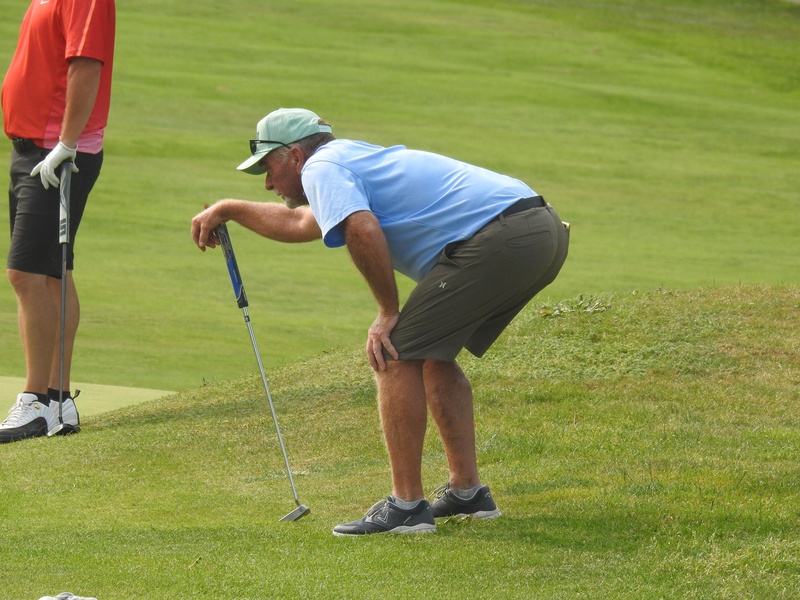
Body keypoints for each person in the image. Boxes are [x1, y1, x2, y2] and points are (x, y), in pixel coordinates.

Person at [191, 108, 569, 536]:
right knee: (432, 356)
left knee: (393, 351)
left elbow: (362, 229)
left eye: (268, 168)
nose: (267, 183)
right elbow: (301, 222)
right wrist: (230, 209)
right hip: (541, 231)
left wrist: (388, 312)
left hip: (503, 237)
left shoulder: (321, 167)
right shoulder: (345, 160)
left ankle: (406, 507)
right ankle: (468, 493)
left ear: (295, 156)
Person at [0, 0, 116, 443]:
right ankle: (58, 399)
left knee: (26, 273)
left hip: (57, 153)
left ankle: (35, 403)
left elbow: (87, 63)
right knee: (52, 273)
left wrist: (67, 144)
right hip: (35, 149)